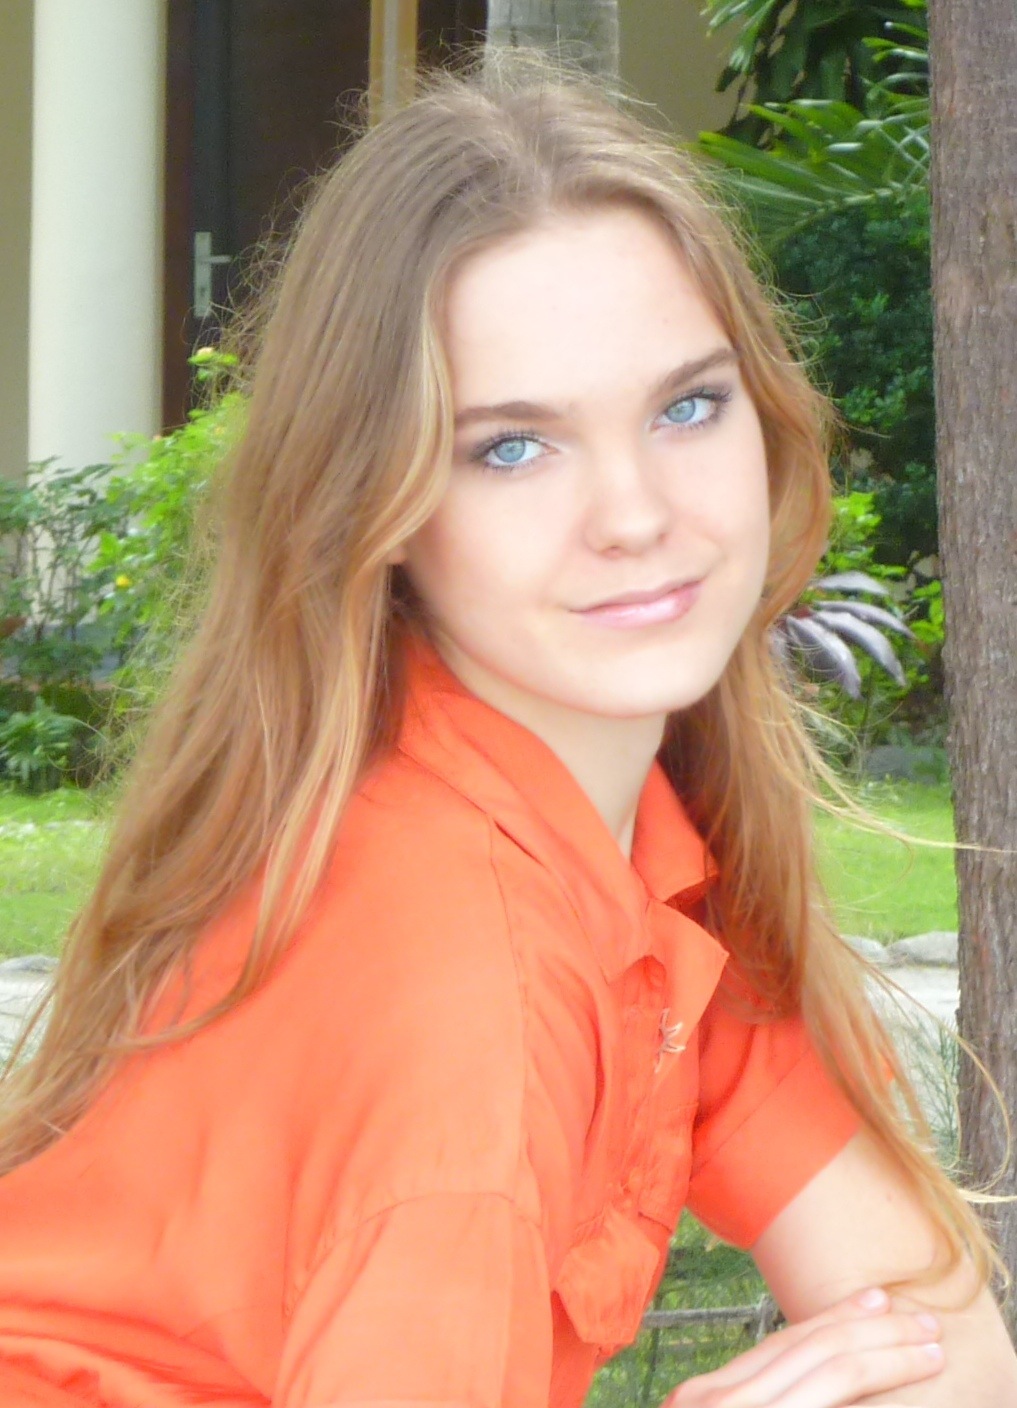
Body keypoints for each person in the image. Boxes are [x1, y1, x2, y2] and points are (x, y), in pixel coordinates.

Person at [0, 51, 1015, 1408]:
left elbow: (943, 1350)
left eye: (686, 406)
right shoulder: (462, 981)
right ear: (376, 506)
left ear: (766, 419)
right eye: (512, 447)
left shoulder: (625, 863)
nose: (636, 513)